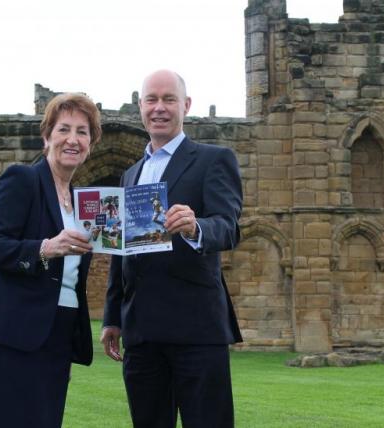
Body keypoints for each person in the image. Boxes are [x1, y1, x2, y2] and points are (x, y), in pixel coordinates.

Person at [100, 70, 243, 428]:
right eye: (151, 100)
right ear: (141, 107)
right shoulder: (130, 175)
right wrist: (113, 316)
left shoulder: (214, 159)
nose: (159, 108)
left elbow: (228, 227)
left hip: (196, 328)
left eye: (169, 99)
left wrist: (196, 227)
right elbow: (121, 252)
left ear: (186, 105)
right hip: (142, 332)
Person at [0, 93, 102, 428]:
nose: (73, 139)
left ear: (91, 143)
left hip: (59, 328)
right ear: (46, 137)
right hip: (13, 327)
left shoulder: (82, 203)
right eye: (64, 129)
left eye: (82, 132)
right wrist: (46, 248)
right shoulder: (22, 179)